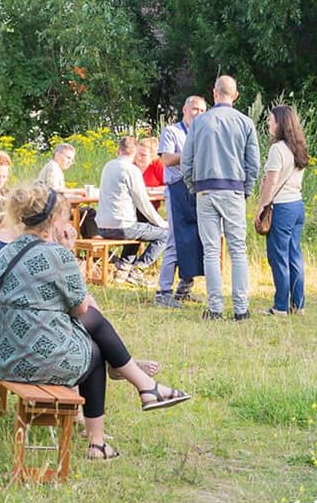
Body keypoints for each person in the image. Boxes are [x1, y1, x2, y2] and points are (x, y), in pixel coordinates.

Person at [0, 183, 191, 460]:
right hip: (34, 360)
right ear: (53, 219)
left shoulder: (5, 252)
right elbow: (80, 307)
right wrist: (69, 252)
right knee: (94, 349)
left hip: (0, 355)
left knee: (92, 334)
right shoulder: (57, 255)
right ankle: (103, 435)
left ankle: (144, 387)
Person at [179, 76, 260, 320]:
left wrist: (193, 185)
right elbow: (253, 162)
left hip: (205, 190)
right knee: (238, 250)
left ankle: (215, 308)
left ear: (214, 94)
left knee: (211, 251)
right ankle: (241, 308)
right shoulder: (245, 123)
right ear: (235, 95)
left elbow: (186, 160)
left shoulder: (200, 122)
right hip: (233, 189)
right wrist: (246, 188)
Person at [155, 96, 208, 308]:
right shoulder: (172, 132)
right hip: (176, 190)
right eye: (195, 109)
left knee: (194, 240)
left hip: (196, 191)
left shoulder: (204, 133)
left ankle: (184, 289)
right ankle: (163, 292)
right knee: (175, 241)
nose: (198, 113)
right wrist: (192, 152)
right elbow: (166, 159)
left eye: (203, 110)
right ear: (185, 109)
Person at [259, 106, 309, 315]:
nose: (269, 124)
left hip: (281, 206)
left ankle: (280, 306)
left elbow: (271, 181)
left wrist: (262, 206)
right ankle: (299, 304)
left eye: (271, 120)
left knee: (278, 257)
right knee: (294, 255)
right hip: (297, 204)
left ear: (280, 123)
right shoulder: (299, 146)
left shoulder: (277, 149)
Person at [96, 135, 168, 281]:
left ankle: (123, 268)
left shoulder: (108, 166)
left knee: (138, 227)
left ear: (118, 150)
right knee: (166, 235)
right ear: (134, 153)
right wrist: (162, 223)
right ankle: (138, 268)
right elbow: (143, 204)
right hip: (122, 227)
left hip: (101, 226)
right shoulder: (131, 170)